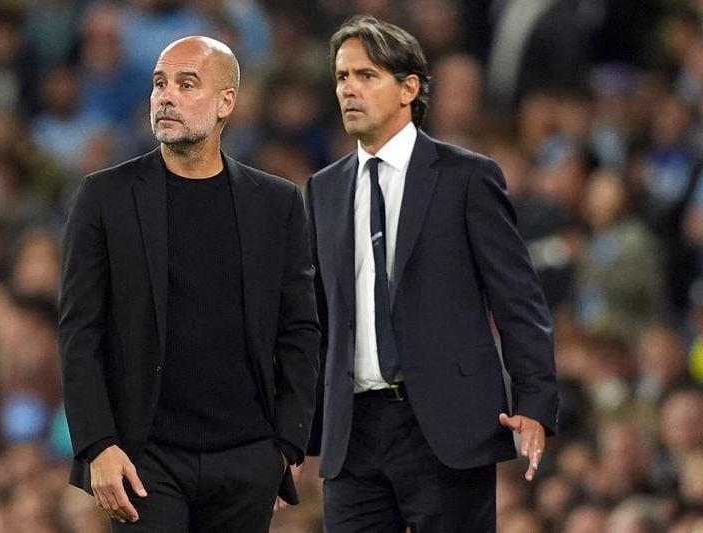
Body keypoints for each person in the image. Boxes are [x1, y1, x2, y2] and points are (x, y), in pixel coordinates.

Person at [305, 16, 558, 532]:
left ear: (409, 88)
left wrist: (534, 399)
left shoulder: (467, 177)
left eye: (366, 75)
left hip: (447, 426)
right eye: (341, 77)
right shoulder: (323, 190)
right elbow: (316, 321)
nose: (348, 88)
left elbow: (518, 301)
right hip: (353, 433)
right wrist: (295, 432)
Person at [58, 36, 320, 532]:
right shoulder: (104, 197)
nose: (166, 96)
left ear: (227, 102)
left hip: (247, 459)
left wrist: (286, 444)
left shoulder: (277, 203)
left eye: (186, 83)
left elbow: (300, 328)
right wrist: (98, 445)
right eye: (160, 83)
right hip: (143, 460)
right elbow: (79, 333)